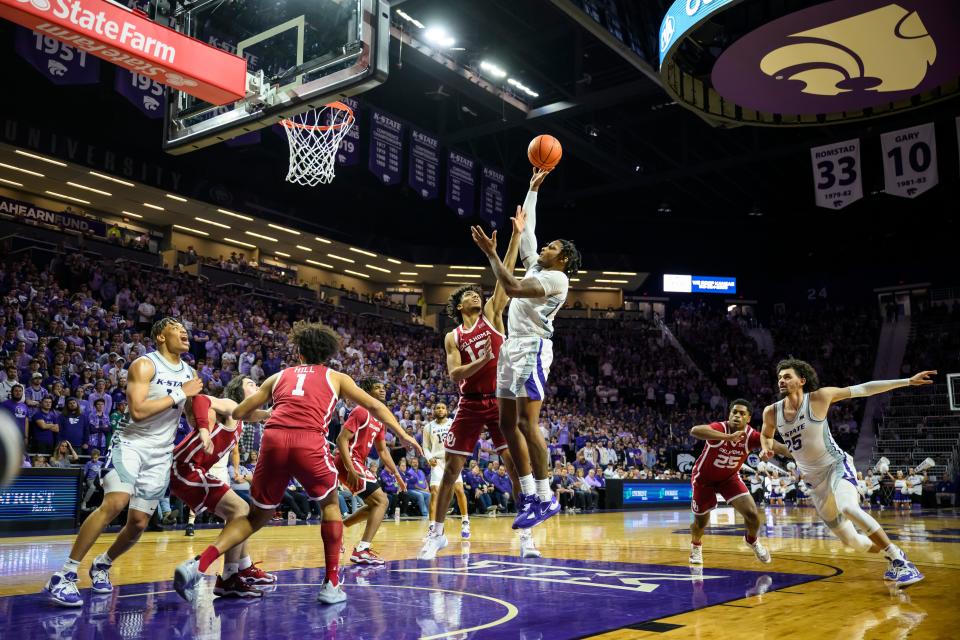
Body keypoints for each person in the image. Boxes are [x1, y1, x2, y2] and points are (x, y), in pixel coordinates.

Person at [173, 321, 422, 606]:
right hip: (308, 440)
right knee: (329, 506)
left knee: (255, 516)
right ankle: (331, 583)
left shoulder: (278, 376)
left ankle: (198, 564)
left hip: (274, 439)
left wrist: (277, 408)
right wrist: (404, 435)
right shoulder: (336, 377)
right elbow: (376, 406)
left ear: (299, 354)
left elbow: (241, 411)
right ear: (326, 355)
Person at [44, 318, 201, 607]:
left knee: (139, 522)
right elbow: (139, 411)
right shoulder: (145, 364)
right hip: (130, 443)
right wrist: (181, 392)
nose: (183, 331)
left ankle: (103, 564)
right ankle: (65, 574)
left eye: (185, 328)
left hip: (160, 453)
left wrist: (207, 418)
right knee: (115, 502)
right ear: (160, 337)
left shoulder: (190, 372)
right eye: (175, 327)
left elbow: (191, 415)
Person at [419, 204, 539, 561]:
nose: (477, 294)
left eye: (477, 292)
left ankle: (527, 535)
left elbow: (505, 279)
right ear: (458, 306)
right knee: (450, 470)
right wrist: (484, 359)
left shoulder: (492, 314)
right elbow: (455, 374)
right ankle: (436, 534)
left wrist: (515, 235)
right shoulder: (454, 336)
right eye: (469, 294)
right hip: (470, 404)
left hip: (502, 400)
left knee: (516, 468)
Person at [470, 168, 581, 530]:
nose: (543, 248)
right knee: (505, 424)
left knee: (524, 422)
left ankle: (547, 498)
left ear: (562, 258)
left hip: (533, 348)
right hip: (511, 346)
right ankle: (530, 495)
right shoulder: (540, 264)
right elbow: (530, 230)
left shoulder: (556, 279)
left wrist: (492, 254)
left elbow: (513, 288)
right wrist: (532, 188)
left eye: (552, 247)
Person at [760, 359, 934, 587]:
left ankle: (901, 561)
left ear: (801, 381)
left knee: (848, 507)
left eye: (787, 376)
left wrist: (907, 381)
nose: (782, 380)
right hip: (814, 483)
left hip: (836, 466)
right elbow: (766, 435)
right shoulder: (771, 412)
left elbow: (865, 389)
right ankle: (891, 556)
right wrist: (765, 447)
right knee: (852, 541)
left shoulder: (820, 397)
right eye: (780, 377)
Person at [170, 376, 275, 598]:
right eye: (251, 384)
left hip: (191, 470)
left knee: (238, 514)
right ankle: (218, 573)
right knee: (241, 511)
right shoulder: (230, 405)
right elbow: (199, 399)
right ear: (239, 391)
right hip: (184, 467)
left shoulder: (241, 417)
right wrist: (204, 432)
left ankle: (241, 568)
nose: (256, 386)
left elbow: (252, 415)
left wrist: (267, 414)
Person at [689, 399, 790, 565]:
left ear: (748, 418)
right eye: (734, 412)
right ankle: (696, 545)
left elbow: (776, 445)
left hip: (729, 479)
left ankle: (752, 540)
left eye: (742, 413)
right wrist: (728, 437)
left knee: (752, 515)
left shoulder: (751, 436)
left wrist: (801, 457)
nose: (737, 415)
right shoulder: (721, 428)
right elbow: (695, 431)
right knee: (701, 522)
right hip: (704, 479)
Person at [334, 378, 411, 565]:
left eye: (384, 387)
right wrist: (350, 468)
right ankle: (361, 550)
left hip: (358, 462)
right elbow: (341, 440)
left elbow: (383, 452)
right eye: (377, 388)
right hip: (348, 460)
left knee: (375, 505)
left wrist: (398, 477)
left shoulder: (380, 419)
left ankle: (339, 528)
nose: (383, 390)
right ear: (367, 391)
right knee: (381, 501)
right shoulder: (361, 411)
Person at [421, 402, 470, 540]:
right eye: (437, 407)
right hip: (437, 462)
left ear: (447, 410)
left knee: (459, 490)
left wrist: (461, 455)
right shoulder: (428, 427)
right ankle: (432, 527)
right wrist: (429, 457)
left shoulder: (453, 423)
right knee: (435, 493)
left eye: (443, 407)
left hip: (452, 460)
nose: (440, 409)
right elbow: (425, 447)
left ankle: (465, 522)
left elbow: (462, 439)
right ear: (433, 410)